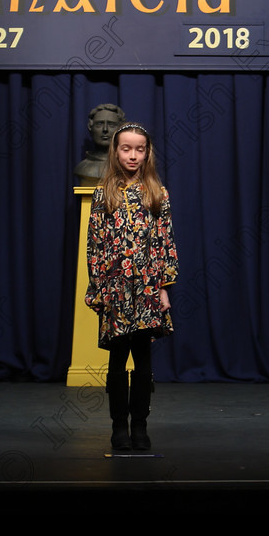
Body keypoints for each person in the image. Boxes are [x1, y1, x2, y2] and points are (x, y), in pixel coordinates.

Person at [85, 123, 179, 452]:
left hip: (147, 291)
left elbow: (166, 243)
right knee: (117, 361)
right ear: (116, 151)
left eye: (140, 149)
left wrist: (164, 287)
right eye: (126, 149)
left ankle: (140, 426)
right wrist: (98, 289)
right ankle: (117, 427)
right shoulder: (103, 193)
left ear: (147, 152)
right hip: (115, 290)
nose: (133, 155)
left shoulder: (157, 193)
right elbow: (94, 244)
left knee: (143, 361)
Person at [73, 103, 126, 185]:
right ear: (90, 127)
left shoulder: (126, 167)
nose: (105, 129)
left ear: (120, 129)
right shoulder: (82, 168)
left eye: (111, 125)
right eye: (99, 124)